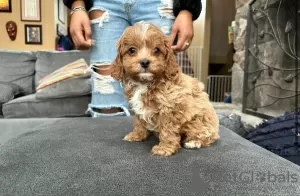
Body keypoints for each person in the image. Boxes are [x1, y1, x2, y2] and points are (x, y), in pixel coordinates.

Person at [63, 0, 202, 117]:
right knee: (106, 101)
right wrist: (77, 3)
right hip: (105, 4)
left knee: (163, 94)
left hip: (159, 3)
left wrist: (187, 8)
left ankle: (163, 141)